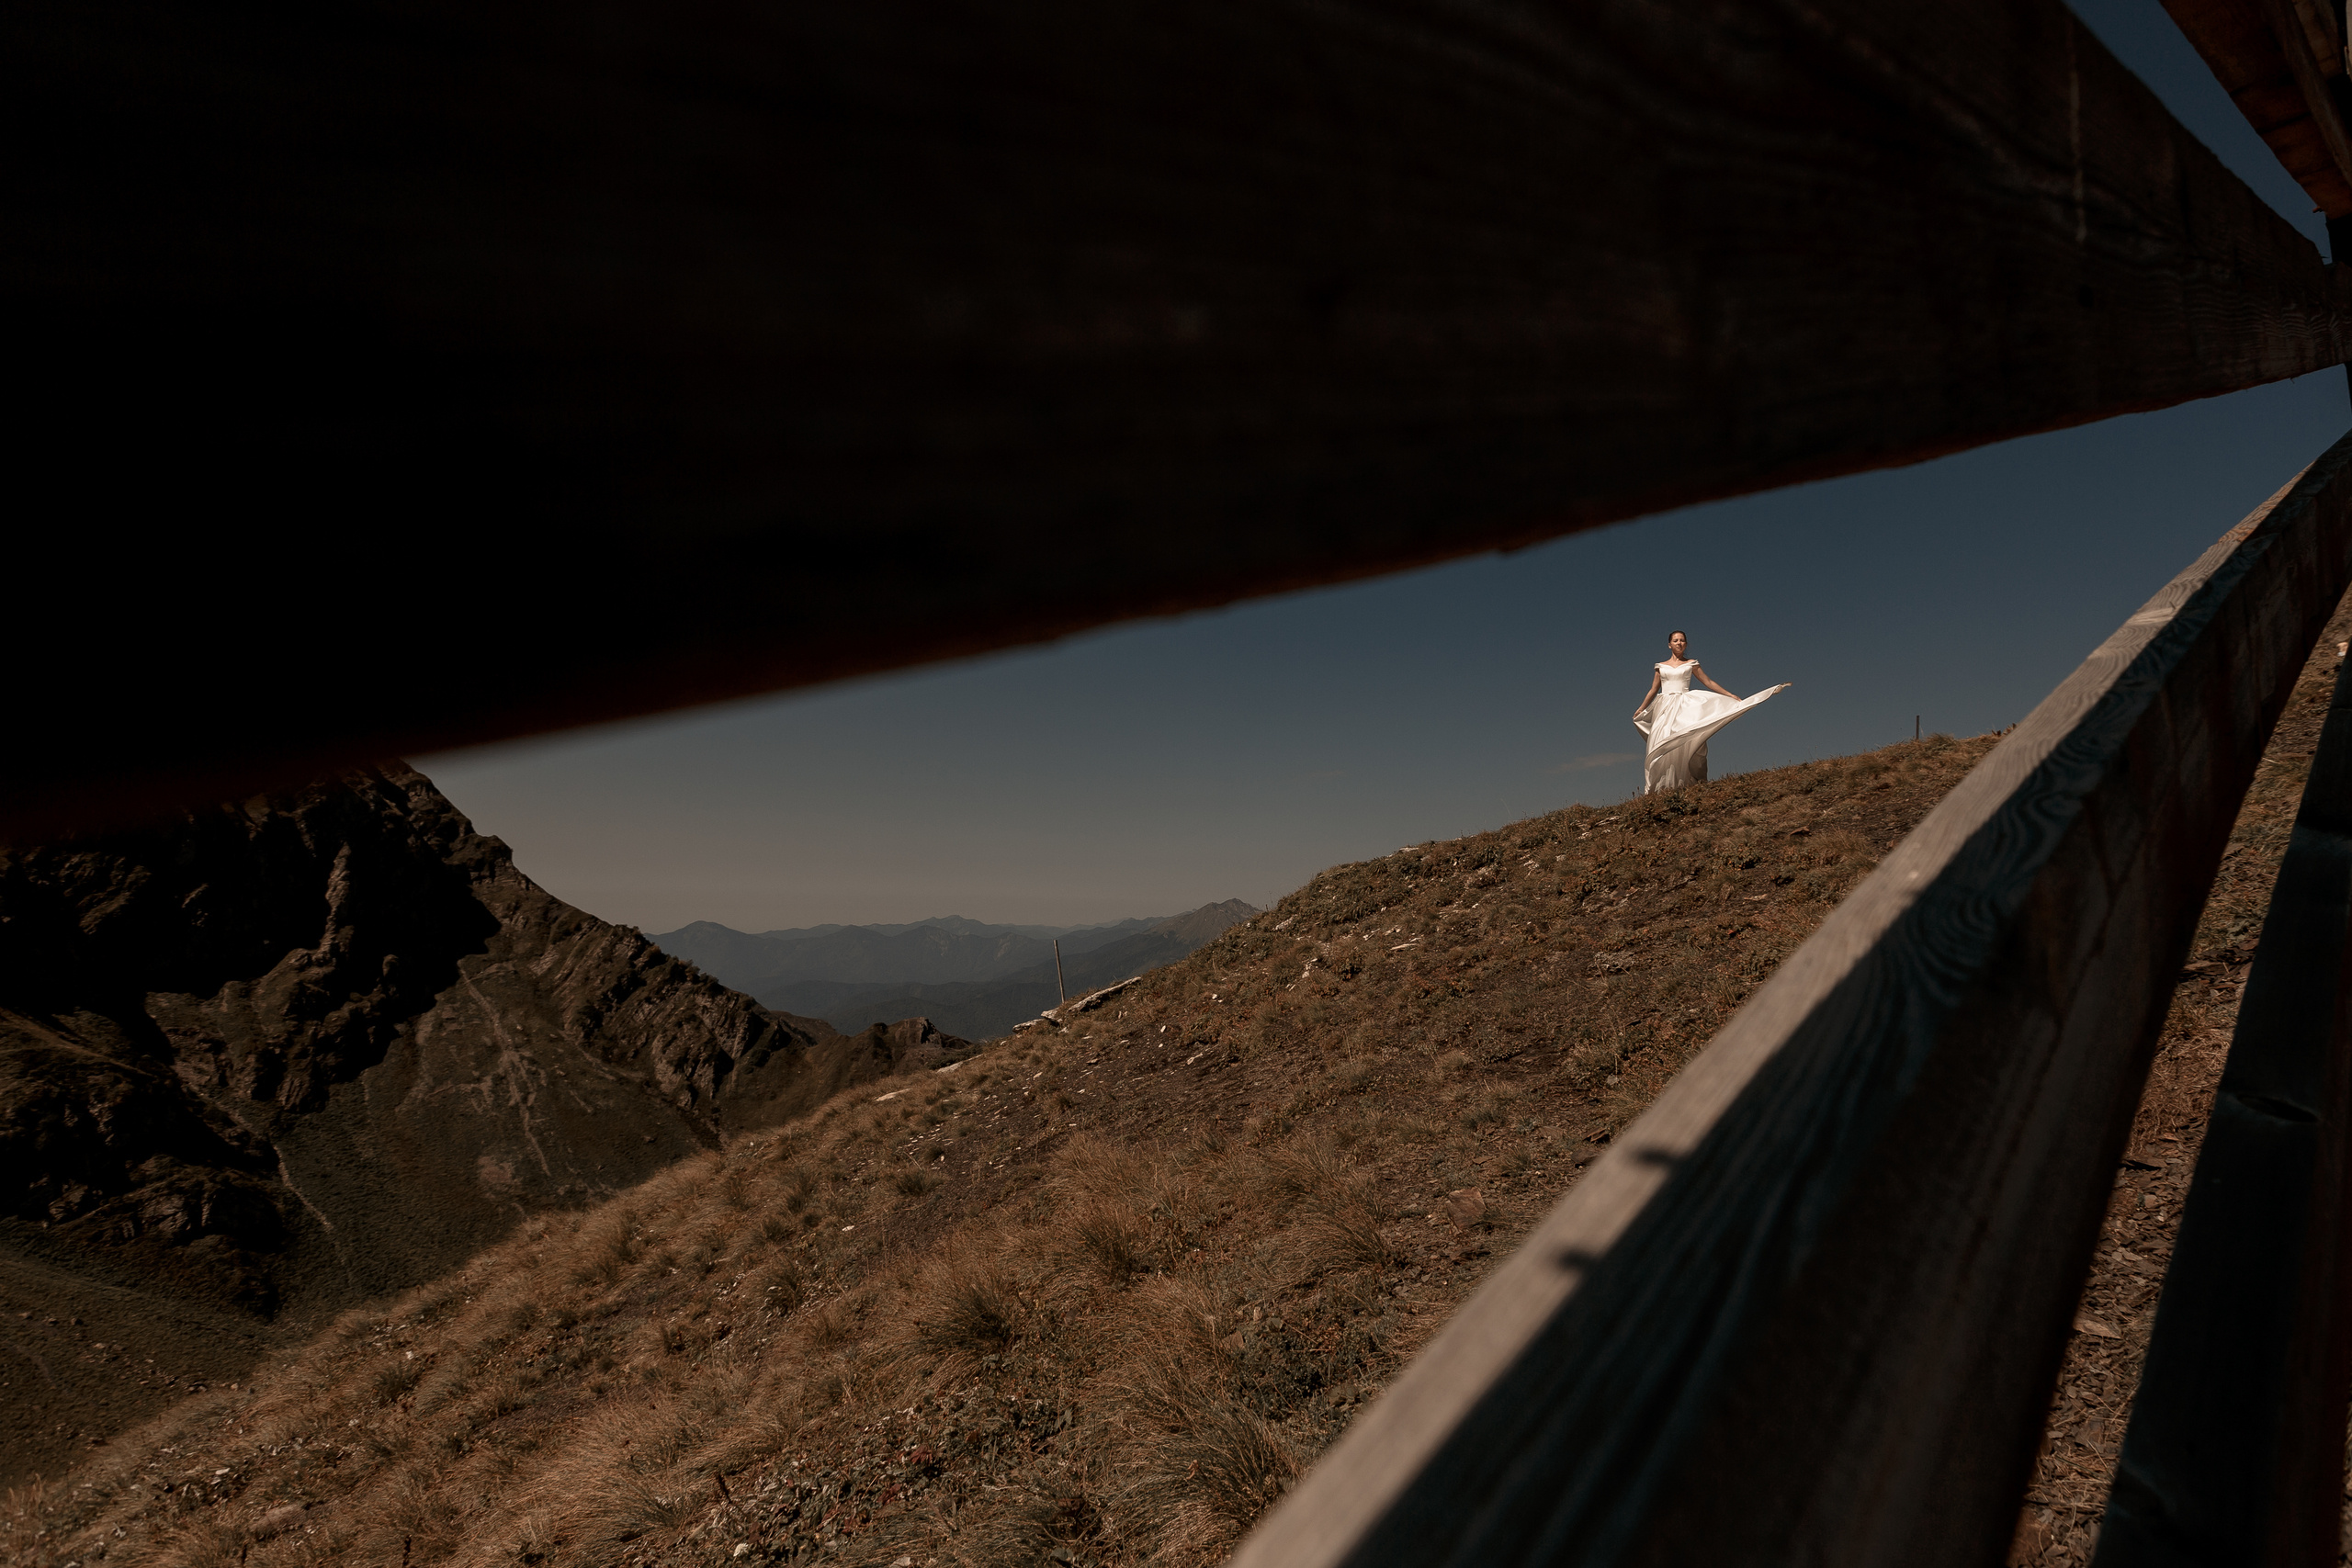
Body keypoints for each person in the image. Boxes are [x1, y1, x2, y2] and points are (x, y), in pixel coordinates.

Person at [1632, 630, 1790, 794]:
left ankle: (1687, 783)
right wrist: (1641, 708)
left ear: (1686, 644)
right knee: (1662, 740)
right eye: (1676, 640)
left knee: (1687, 739)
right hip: (1664, 708)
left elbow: (1708, 681)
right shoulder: (1661, 666)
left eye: (1682, 640)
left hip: (1684, 706)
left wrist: (1729, 695)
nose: (1679, 643)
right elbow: (1653, 689)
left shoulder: (1692, 664)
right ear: (1669, 644)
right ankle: (1661, 788)